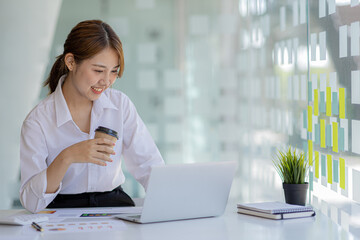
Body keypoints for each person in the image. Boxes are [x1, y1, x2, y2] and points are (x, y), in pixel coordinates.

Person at [19, 20, 164, 213]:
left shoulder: (120, 105)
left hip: (114, 205)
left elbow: (149, 166)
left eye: (113, 71)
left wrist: (171, 206)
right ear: (70, 62)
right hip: (61, 211)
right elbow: (31, 201)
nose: (106, 82)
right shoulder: (38, 121)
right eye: (98, 70)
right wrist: (67, 157)